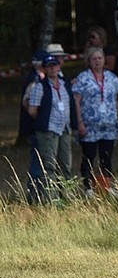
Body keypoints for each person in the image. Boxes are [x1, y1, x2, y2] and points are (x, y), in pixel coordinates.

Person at [72, 47, 118, 195]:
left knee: (106, 156)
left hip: (109, 125)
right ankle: (88, 187)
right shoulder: (83, 78)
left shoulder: (110, 77)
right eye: (94, 59)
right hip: (90, 126)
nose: (97, 61)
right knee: (89, 156)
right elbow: (76, 100)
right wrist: (80, 122)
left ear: (104, 60)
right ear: (89, 61)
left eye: (99, 58)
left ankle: (106, 185)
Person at [27, 54, 77, 201]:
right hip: (48, 131)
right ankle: (52, 199)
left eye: (54, 65)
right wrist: (44, 121)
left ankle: (68, 197)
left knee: (66, 165)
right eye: (49, 66)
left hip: (65, 129)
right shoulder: (40, 87)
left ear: (59, 66)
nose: (52, 68)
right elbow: (32, 110)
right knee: (49, 166)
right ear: (44, 69)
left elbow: (71, 105)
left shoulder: (64, 84)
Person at [20, 49, 48, 202]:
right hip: (36, 128)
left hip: (36, 127)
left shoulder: (37, 78)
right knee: (38, 161)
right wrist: (39, 119)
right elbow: (27, 104)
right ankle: (35, 195)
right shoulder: (35, 81)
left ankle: (39, 193)